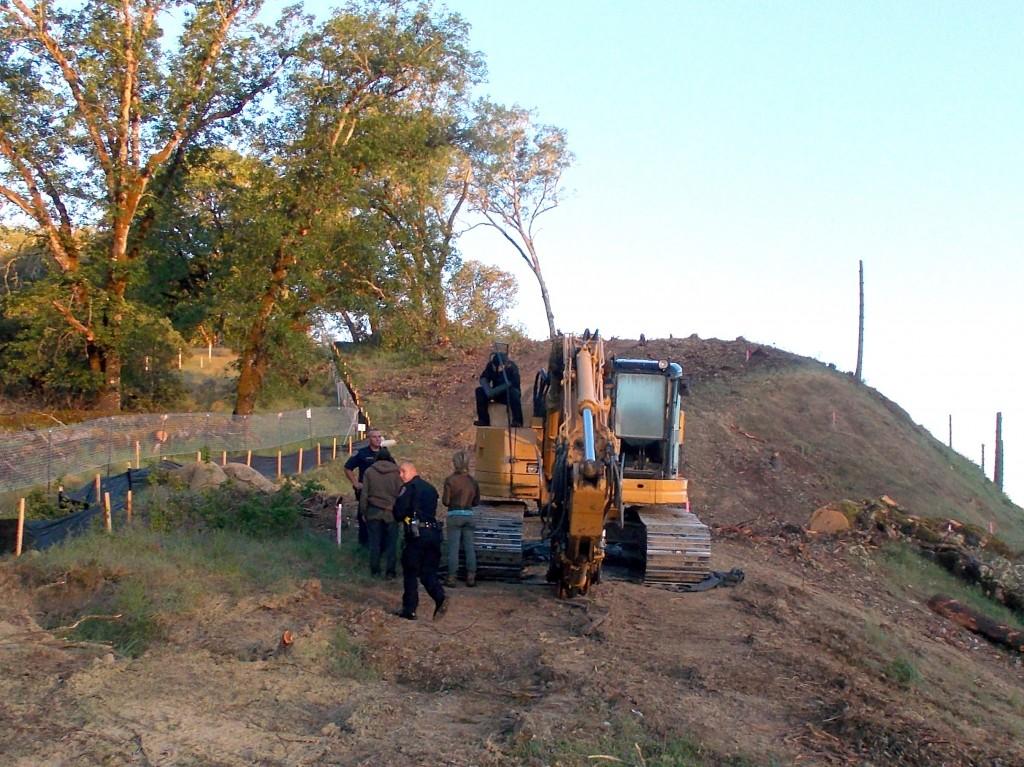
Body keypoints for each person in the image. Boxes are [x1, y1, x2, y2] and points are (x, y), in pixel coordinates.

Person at [392, 462, 448, 621]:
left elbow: (399, 512)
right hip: (434, 534)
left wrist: (401, 514)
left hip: (417, 536)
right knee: (428, 572)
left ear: (409, 472)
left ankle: (409, 609)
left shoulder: (407, 489)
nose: (400, 476)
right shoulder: (430, 488)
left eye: (402, 472)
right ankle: (440, 597)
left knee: (410, 571)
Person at [358, 448, 402, 578]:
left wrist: (363, 512)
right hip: (391, 512)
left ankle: (375, 571)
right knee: (392, 544)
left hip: (373, 511)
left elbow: (364, 494)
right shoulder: (396, 472)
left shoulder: (369, 472)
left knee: (374, 543)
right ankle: (390, 572)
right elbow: (400, 493)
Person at [442, 450, 480, 587]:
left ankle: (452, 577)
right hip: (469, 515)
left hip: (454, 515)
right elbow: (476, 502)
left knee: (454, 548)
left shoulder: (450, 480)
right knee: (470, 547)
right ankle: (471, 576)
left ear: (455, 463)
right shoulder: (473, 481)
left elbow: (446, 501)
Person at [344, 428, 383, 546]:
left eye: (379, 436)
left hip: (381, 493)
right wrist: (355, 483)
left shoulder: (385, 453)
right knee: (363, 517)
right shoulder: (362, 453)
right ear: (369, 439)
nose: (378, 439)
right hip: (365, 491)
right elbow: (348, 468)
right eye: (374, 437)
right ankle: (363, 544)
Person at [474, 350, 523, 427]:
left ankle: (517, 420)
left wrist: (496, 391)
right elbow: (483, 378)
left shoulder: (512, 367)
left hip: (507, 394)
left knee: (514, 393)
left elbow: (514, 383)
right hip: (495, 393)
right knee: (479, 391)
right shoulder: (490, 366)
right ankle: (483, 419)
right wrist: (488, 390)